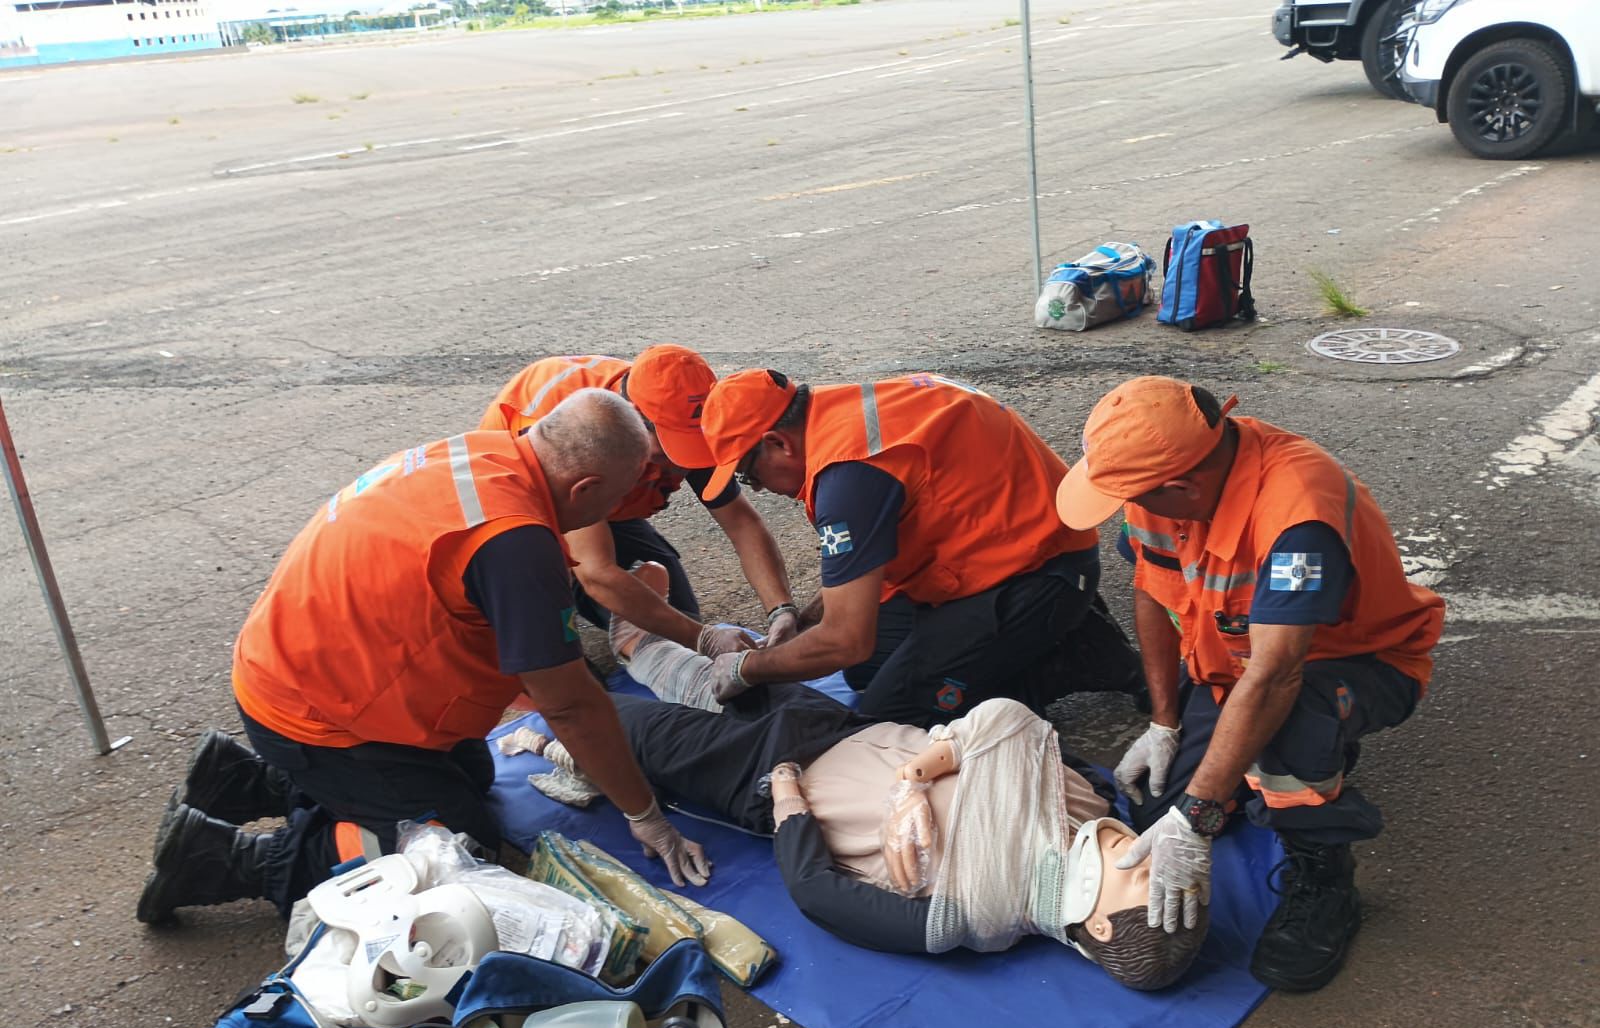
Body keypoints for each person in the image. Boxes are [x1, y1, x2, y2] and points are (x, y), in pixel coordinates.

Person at [137, 390, 712, 926]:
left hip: (300, 669)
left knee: (473, 773)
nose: (620, 512)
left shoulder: (490, 452)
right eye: (617, 500)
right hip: (318, 717)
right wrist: (645, 816)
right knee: (451, 850)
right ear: (584, 488)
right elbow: (570, 706)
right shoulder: (512, 541)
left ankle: (239, 779)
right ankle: (223, 857)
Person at [593, 564, 1207, 990]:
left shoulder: (970, 917)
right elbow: (1011, 721)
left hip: (759, 772)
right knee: (721, 682)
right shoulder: (1092, 806)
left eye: (1149, 880)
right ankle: (640, 645)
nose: (1152, 858)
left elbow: (817, 892)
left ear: (1097, 924)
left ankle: (543, 714)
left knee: (606, 721)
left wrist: (786, 796)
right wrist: (914, 779)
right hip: (841, 727)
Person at [1054, 376, 1445, 992]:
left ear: (1182, 485)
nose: (1124, 509)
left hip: (1355, 664)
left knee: (1285, 732)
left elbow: (1277, 675)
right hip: (1234, 661)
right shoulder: (1159, 488)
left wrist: (1201, 815)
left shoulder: (1298, 516)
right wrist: (1163, 722)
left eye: (1130, 497)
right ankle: (1279, 767)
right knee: (1158, 806)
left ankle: (1326, 879)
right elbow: (1153, 595)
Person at [693, 368, 1142, 727]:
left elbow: (846, 640)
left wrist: (747, 668)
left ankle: (1067, 661)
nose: (758, 488)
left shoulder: (849, 474)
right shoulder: (842, 413)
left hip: (1037, 573)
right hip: (1008, 548)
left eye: (749, 475)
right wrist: (800, 617)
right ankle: (1052, 641)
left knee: (894, 714)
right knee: (866, 671)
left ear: (776, 443)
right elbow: (861, 570)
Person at [481, 347, 800, 656]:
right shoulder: (588, 437)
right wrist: (702, 638)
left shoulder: (682, 410)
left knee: (676, 615)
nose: (683, 465)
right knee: (566, 657)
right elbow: (597, 571)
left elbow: (742, 524)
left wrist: (780, 610)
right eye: (670, 452)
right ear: (631, 423)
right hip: (523, 515)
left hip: (602, 497)